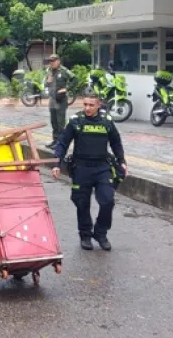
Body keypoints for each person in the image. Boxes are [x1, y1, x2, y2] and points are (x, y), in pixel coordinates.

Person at [52, 94, 128, 251]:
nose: (87, 108)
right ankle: (85, 235)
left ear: (98, 105)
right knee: (82, 203)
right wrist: (56, 164)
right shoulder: (76, 120)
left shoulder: (106, 121)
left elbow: (116, 142)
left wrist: (122, 162)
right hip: (81, 168)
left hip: (102, 167)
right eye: (85, 104)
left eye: (91, 105)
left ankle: (101, 233)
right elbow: (63, 143)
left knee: (107, 201)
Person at [45, 54, 73, 148]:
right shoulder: (49, 71)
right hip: (52, 100)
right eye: (50, 61)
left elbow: (75, 80)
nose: (51, 63)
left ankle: (61, 143)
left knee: (60, 123)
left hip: (61, 100)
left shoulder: (64, 71)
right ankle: (55, 140)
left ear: (58, 61)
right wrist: (47, 82)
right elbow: (46, 84)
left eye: (53, 61)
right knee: (54, 122)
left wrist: (67, 88)